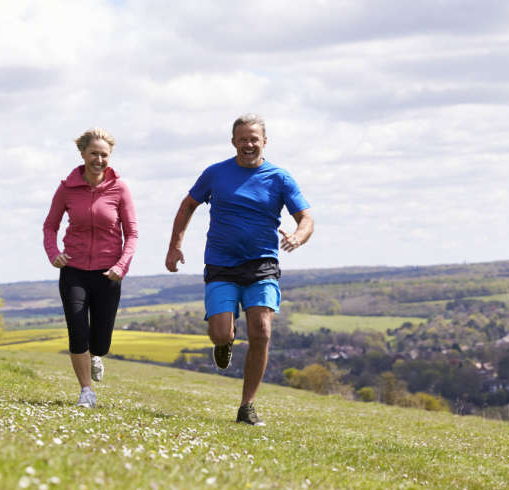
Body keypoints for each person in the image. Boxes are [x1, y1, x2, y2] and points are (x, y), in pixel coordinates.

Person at [165, 113, 314, 426]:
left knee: (261, 331)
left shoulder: (280, 177)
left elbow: (306, 218)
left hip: (262, 264)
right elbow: (187, 206)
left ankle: (247, 405)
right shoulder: (215, 174)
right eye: (243, 139)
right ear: (233, 142)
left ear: (264, 142)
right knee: (220, 333)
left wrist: (298, 237)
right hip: (221, 263)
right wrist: (175, 245)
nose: (248, 144)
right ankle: (225, 341)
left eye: (254, 139)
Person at [43, 127, 138, 408]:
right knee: (77, 330)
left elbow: (132, 233)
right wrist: (54, 253)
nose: (99, 159)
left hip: (109, 272)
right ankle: (87, 392)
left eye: (104, 154)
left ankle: (96, 356)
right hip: (73, 269)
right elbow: (50, 225)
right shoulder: (67, 188)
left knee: (100, 341)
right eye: (93, 153)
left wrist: (122, 266)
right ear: (83, 154)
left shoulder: (120, 189)